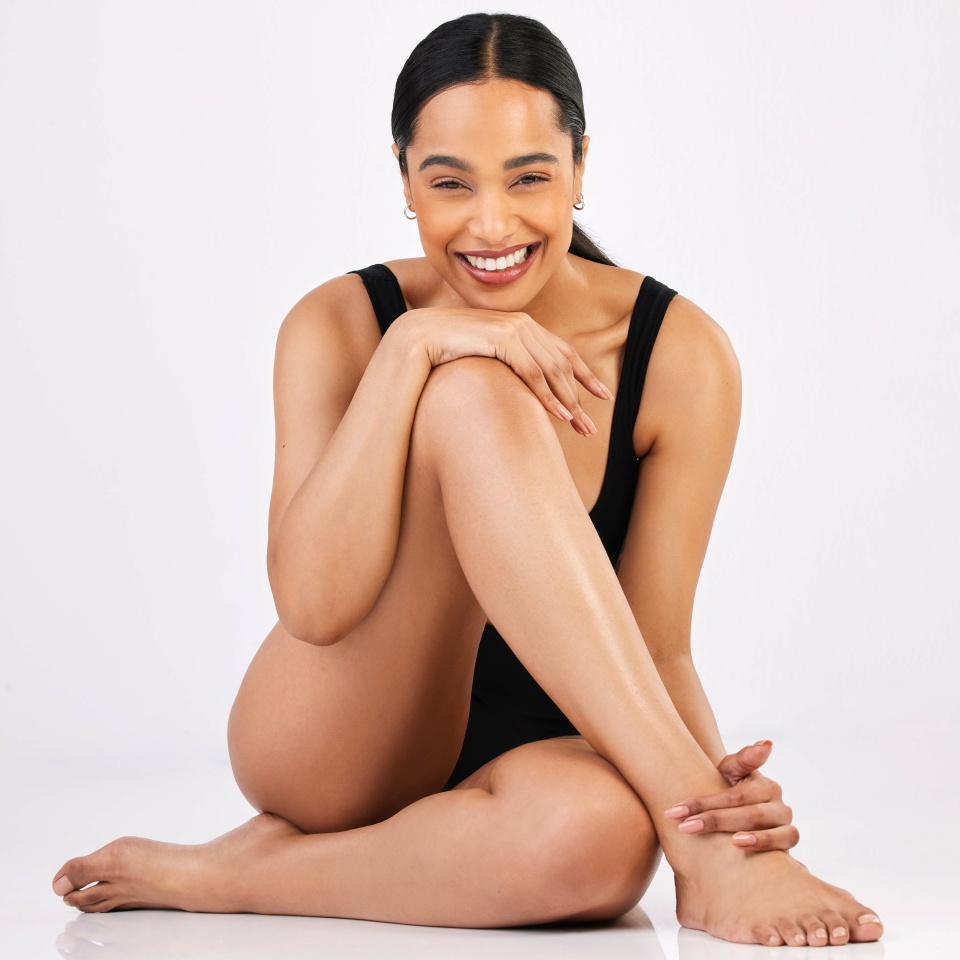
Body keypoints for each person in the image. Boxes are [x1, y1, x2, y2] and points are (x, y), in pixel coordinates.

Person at [51, 12, 883, 947]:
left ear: (580, 168)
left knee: (604, 850)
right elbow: (315, 605)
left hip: (543, 742)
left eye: (531, 178)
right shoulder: (342, 324)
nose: (494, 226)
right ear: (406, 179)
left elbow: (656, 648)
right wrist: (413, 354)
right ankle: (706, 865)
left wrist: (710, 810)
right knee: (474, 396)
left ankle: (235, 873)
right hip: (337, 740)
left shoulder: (678, 356)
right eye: (450, 183)